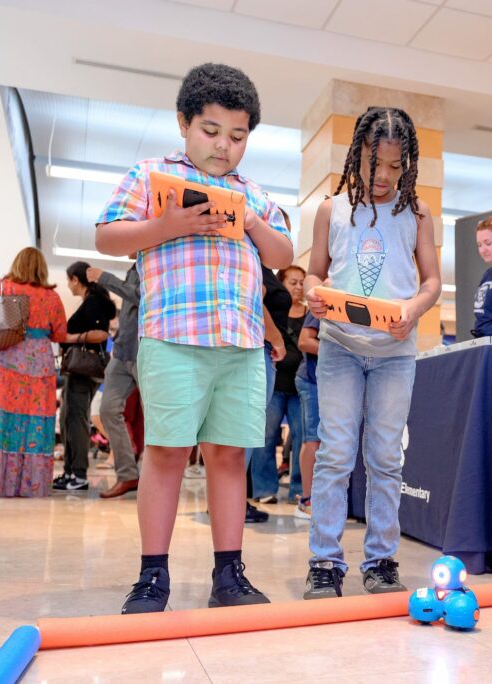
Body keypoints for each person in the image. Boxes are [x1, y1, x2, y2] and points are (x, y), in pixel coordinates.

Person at [95, 63, 292, 613]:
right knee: (167, 453)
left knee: (229, 456)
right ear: (184, 122)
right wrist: (168, 226)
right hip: (173, 337)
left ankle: (230, 574)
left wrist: (252, 223)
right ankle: (152, 576)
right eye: (210, 130)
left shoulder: (256, 194)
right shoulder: (150, 174)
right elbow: (108, 235)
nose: (223, 146)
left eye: (237, 136)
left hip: (241, 345)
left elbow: (282, 257)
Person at [303, 106, 441, 599]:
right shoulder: (331, 209)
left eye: (394, 167)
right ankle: (324, 562)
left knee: (385, 457)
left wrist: (414, 307)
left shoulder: (418, 213)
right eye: (372, 163)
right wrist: (312, 293)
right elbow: (316, 273)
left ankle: (381, 560)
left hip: (395, 353)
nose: (382, 176)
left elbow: (432, 282)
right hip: (339, 346)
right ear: (356, 154)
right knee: (335, 454)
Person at [0, 247, 74, 497]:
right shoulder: (51, 297)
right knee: (31, 423)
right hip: (36, 365)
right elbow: (59, 333)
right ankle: (28, 484)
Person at [52, 261, 116, 492]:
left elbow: (100, 334)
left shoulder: (94, 302)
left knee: (76, 419)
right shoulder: (92, 302)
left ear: (75, 280)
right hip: (80, 369)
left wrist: (70, 338)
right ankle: (70, 471)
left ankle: (78, 473)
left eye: (69, 280)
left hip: (83, 369)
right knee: (68, 418)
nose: (68, 286)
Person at [248, 264, 306, 505]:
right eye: (293, 282)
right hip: (274, 380)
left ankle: (300, 490)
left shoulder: (309, 313)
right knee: (265, 436)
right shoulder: (271, 306)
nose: (299, 287)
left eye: (302, 282)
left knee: (303, 436)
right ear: (281, 284)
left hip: (299, 385)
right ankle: (264, 489)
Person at [87, 263, 143, 499]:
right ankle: (128, 474)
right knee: (107, 410)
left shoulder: (156, 259)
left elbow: (142, 296)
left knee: (154, 417)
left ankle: (154, 479)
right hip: (123, 352)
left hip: (146, 350)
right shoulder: (135, 266)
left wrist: (105, 278)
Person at [293, 311, 320, 520]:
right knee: (312, 440)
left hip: (328, 381)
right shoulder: (324, 301)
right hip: (311, 380)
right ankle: (306, 500)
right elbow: (304, 341)